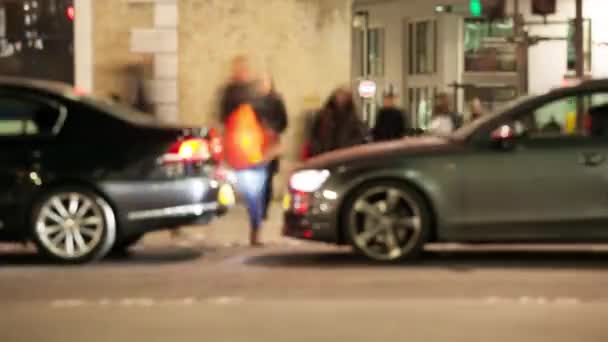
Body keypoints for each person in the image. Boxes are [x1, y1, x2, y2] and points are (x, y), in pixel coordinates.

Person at [219, 56, 281, 247]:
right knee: (251, 194)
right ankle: (255, 227)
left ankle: (256, 229)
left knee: (255, 194)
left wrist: (272, 147)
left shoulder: (258, 103)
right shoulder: (233, 97)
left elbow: (272, 126)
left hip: (255, 155)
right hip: (244, 155)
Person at [253, 72, 288, 220]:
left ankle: (263, 209)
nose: (263, 86)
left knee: (267, 178)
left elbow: (284, 122)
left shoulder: (277, 101)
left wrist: (273, 129)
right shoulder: (253, 102)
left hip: (271, 144)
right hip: (255, 144)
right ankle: (256, 208)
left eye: (265, 82)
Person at [309, 86, 368, 157]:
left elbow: (359, 139)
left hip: (344, 157)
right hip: (325, 156)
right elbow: (315, 137)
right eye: (339, 97)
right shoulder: (323, 117)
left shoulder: (353, 120)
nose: (340, 100)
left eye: (343, 97)